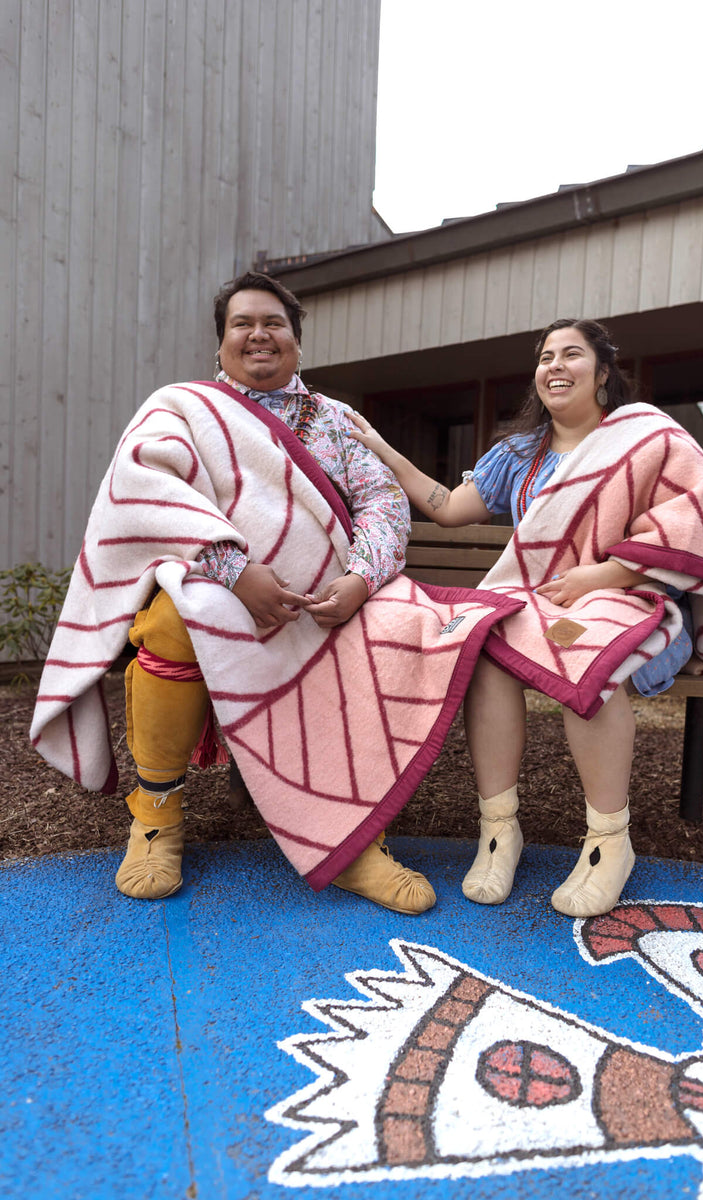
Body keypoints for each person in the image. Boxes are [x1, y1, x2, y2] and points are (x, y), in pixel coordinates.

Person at [32, 272, 472, 914]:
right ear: (221, 345)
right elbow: (146, 494)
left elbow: (383, 504)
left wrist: (358, 581)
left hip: (326, 594)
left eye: (274, 324)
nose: (259, 334)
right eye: (243, 324)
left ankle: (348, 835)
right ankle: (156, 816)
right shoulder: (180, 408)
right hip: (214, 583)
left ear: (296, 343)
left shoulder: (337, 421)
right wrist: (235, 569)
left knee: (391, 628)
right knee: (174, 622)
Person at [348, 318, 703, 918]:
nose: (556, 366)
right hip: (540, 602)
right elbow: (446, 507)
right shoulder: (519, 453)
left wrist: (600, 577)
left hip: (639, 601)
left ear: (602, 373)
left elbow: (688, 524)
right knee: (487, 649)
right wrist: (379, 447)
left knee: (586, 654)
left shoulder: (648, 437)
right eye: (546, 357)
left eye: (572, 354)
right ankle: (499, 831)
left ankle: (609, 841)